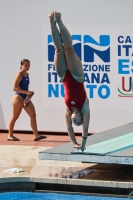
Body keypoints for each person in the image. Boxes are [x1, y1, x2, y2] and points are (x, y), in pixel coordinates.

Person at [48, 11, 90, 151]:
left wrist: (74, 143)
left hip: (64, 77)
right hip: (77, 77)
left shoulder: (67, 110)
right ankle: (60, 21)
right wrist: (82, 144)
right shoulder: (85, 108)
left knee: (59, 50)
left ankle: (52, 23)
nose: (74, 121)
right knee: (69, 49)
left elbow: (68, 128)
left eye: (74, 122)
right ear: (81, 118)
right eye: (77, 122)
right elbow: (85, 130)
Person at [8, 59, 46, 141]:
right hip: (18, 97)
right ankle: (10, 135)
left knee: (33, 115)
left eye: (29, 65)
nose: (27, 67)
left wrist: (29, 95)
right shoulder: (19, 74)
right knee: (15, 116)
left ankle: (36, 135)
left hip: (25, 97)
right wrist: (27, 92)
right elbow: (14, 88)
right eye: (26, 65)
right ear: (21, 65)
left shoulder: (27, 74)